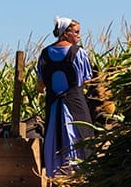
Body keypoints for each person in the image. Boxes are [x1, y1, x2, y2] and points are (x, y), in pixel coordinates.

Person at [36, 16, 94, 177]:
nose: (79, 36)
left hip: (53, 105)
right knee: (80, 135)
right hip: (75, 104)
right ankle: (78, 173)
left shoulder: (45, 54)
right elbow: (86, 80)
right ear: (65, 33)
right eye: (76, 32)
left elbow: (40, 86)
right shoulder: (79, 53)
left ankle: (55, 173)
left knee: (53, 137)